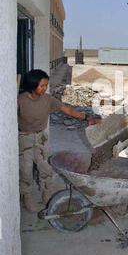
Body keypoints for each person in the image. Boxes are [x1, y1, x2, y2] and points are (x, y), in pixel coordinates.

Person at [18, 69, 100, 213]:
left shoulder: (48, 100)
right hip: (25, 139)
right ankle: (27, 197)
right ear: (32, 85)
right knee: (25, 171)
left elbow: (67, 110)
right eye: (42, 86)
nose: (45, 89)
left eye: (46, 85)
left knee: (46, 169)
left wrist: (87, 118)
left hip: (41, 139)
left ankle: (46, 194)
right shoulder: (20, 101)